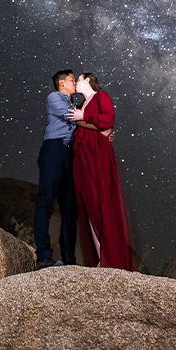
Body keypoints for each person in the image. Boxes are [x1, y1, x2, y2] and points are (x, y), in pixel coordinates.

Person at [67, 72, 137, 271]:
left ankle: (111, 258)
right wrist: (94, 125)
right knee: (89, 203)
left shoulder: (101, 96)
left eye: (78, 79)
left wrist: (86, 118)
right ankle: (101, 257)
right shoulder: (81, 104)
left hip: (97, 151)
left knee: (103, 200)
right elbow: (84, 122)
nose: (76, 83)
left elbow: (108, 119)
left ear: (88, 80)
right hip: (84, 153)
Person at [32, 69, 78, 269]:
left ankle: (69, 260)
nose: (74, 82)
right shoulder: (55, 97)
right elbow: (72, 118)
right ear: (61, 83)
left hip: (68, 154)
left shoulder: (75, 105)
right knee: (46, 200)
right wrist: (99, 126)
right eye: (71, 79)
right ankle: (43, 256)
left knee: (70, 208)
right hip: (53, 148)